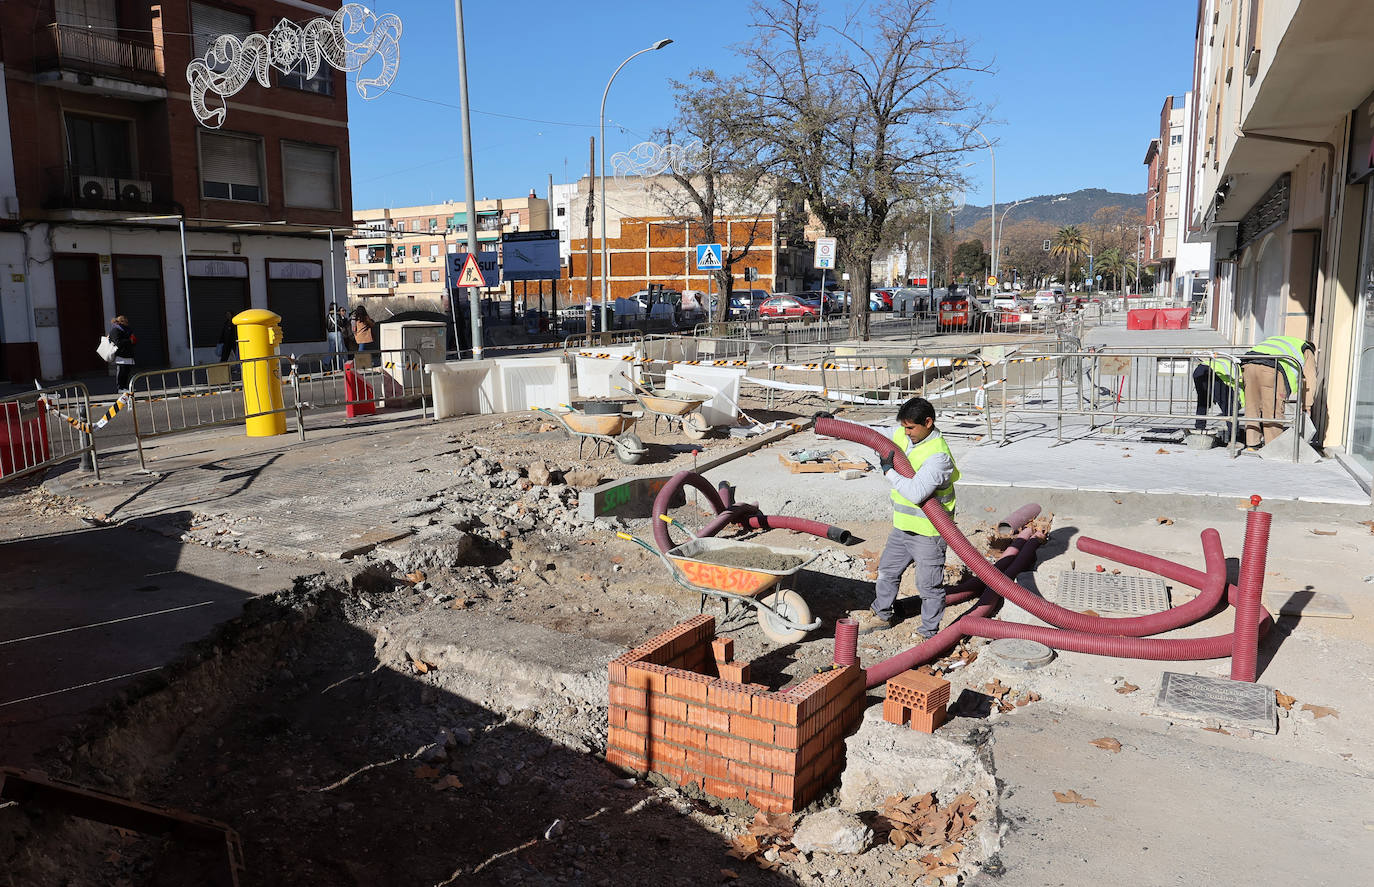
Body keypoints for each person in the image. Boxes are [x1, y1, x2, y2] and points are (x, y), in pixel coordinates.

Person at [857, 396, 960, 637]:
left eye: (911, 428)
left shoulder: (938, 456)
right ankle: (882, 614)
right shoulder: (908, 435)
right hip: (903, 527)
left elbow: (915, 493)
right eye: (904, 427)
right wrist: (834, 422)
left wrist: (889, 471)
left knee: (929, 587)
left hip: (929, 533)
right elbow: (875, 432)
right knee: (887, 572)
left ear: (928, 422)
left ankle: (928, 633)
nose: (906, 432)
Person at [1240, 335, 1316, 450]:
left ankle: (1252, 443)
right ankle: (1273, 447)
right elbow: (1311, 378)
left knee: (1252, 406)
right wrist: (1307, 405)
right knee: (1272, 410)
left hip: (1248, 365)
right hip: (1272, 369)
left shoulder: (1281, 340)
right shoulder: (1306, 349)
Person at [1192, 356, 1243, 440]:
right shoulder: (1236, 368)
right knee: (1227, 405)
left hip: (1199, 371)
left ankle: (1199, 429)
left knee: (1203, 402)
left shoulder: (1226, 362)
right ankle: (1235, 438)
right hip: (1213, 374)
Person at [108, 315, 137, 391]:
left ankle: (125, 387)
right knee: (121, 372)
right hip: (121, 355)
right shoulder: (115, 330)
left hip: (128, 354)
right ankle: (120, 388)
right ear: (121, 322)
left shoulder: (127, 330)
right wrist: (129, 341)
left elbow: (132, 341)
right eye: (126, 322)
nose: (127, 323)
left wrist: (133, 340)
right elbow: (118, 342)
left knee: (127, 373)